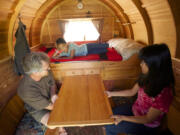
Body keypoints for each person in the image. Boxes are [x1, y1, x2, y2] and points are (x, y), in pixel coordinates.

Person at [105, 44, 175, 135]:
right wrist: (110, 93)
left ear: (155, 66)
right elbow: (132, 91)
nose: (140, 64)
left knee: (110, 125)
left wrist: (123, 117)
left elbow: (147, 119)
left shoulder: (164, 93)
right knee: (109, 116)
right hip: (135, 109)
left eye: (144, 62)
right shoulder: (146, 77)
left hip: (146, 125)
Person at [17, 52, 67, 135]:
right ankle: (60, 127)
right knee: (52, 124)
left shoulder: (46, 71)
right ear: (36, 72)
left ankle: (61, 126)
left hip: (49, 97)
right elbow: (52, 107)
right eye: (47, 68)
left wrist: (53, 95)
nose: (49, 69)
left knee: (62, 112)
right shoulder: (26, 90)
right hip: (37, 108)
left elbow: (52, 84)